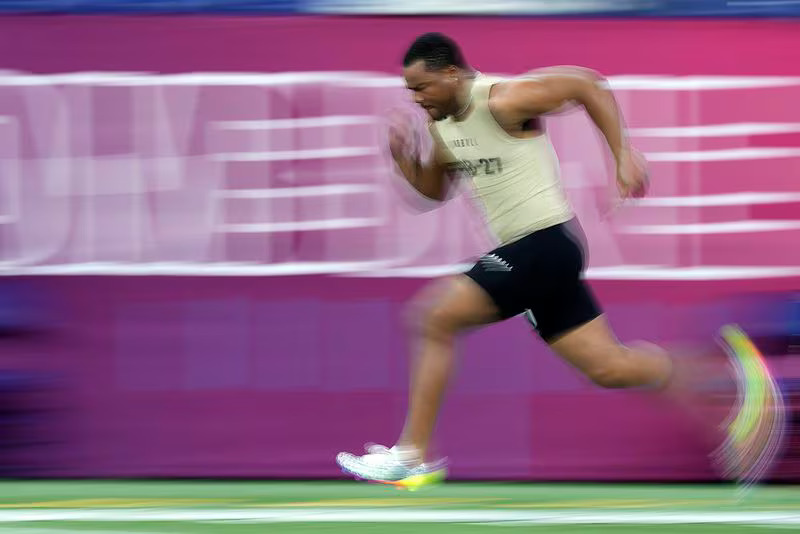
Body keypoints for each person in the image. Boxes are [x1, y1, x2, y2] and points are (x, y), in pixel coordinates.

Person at [336, 32, 783, 488]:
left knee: (433, 318)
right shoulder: (442, 126)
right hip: (536, 259)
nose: (416, 98)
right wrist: (403, 160)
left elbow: (586, 84)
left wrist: (622, 155)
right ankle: (733, 386)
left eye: (422, 86)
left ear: (451, 73)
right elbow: (433, 192)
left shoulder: (503, 100)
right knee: (611, 367)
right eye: (409, 90)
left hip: (544, 245)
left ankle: (412, 455)